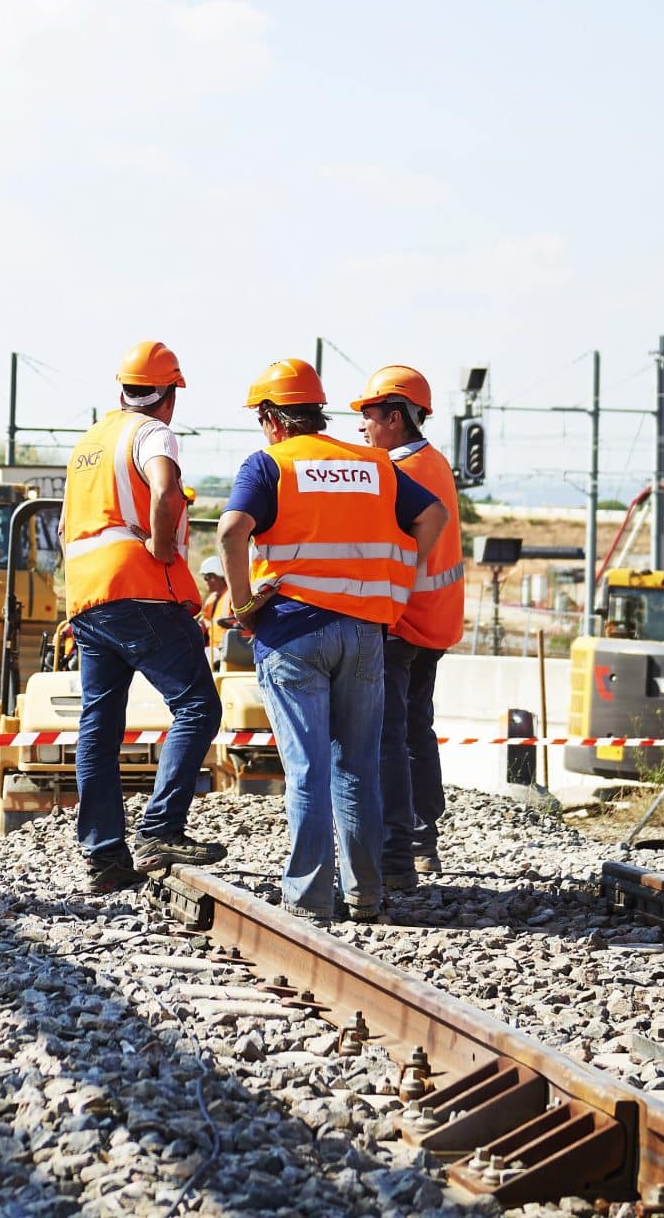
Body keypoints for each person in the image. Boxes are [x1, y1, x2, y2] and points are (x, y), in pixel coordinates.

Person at [218, 359, 448, 924]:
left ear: (273, 418)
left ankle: (309, 898)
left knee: (307, 770)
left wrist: (243, 605)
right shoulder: (373, 465)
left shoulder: (269, 464)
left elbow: (230, 530)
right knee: (358, 767)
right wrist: (399, 582)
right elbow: (434, 516)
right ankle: (365, 893)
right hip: (365, 634)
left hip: (293, 632)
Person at [62, 340, 224, 894]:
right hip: (138, 591)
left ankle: (105, 857)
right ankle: (160, 829)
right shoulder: (153, 432)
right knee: (198, 705)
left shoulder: (90, 443)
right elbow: (164, 489)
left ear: (122, 391)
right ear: (170, 394)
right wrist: (159, 544)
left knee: (99, 727)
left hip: (88, 598)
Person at [352, 366, 467, 886]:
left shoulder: (394, 472)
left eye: (369, 415)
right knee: (417, 730)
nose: (363, 426)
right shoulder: (436, 462)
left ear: (395, 417)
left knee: (389, 735)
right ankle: (424, 842)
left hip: (400, 622)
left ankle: (397, 850)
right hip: (434, 619)